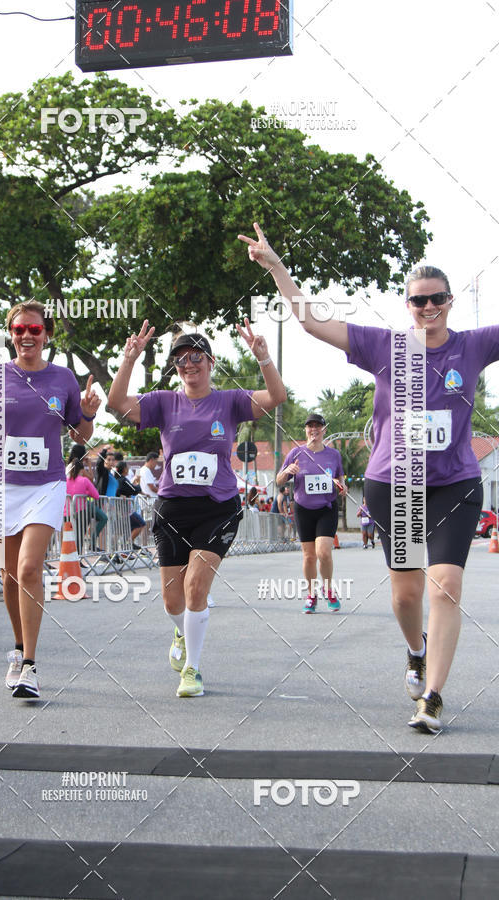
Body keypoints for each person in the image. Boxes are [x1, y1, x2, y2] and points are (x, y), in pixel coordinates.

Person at [240, 221, 498, 733]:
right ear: (407, 305)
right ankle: (415, 650)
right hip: (394, 483)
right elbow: (314, 323)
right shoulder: (385, 347)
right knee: (406, 595)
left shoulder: (473, 346)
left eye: (437, 299)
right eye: (418, 301)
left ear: (449, 302)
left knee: (444, 585)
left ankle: (433, 697)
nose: (428, 308)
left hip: (453, 482)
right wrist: (275, 267)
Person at [108, 320, 286, 697]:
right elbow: (116, 405)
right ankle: (182, 630)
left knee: (195, 587)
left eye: (196, 357)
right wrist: (129, 359)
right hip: (173, 508)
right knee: (173, 600)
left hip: (218, 507)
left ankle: (192, 669)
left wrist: (264, 358)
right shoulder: (163, 402)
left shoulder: (230, 401)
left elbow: (276, 397)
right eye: (180, 360)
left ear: (210, 362)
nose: (188, 365)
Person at [0, 300, 100, 699]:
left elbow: (80, 436)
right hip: (2, 486)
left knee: (31, 568)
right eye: (19, 330)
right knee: (10, 576)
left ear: (46, 334)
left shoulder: (63, 378)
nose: (26, 336)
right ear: (11, 334)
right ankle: (18, 649)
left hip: (46, 485)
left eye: (34, 330)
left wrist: (87, 414)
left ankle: (31, 665)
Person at [277, 414, 346, 613]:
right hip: (303, 509)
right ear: (305, 430)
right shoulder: (296, 453)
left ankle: (328, 588)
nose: (313, 430)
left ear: (324, 430)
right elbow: (279, 480)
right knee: (309, 557)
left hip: (326, 508)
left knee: (323, 552)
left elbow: (341, 478)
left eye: (317, 426)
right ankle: (311, 594)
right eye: (310, 427)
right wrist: (288, 470)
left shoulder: (334, 455)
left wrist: (342, 486)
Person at [65, 455, 101, 555]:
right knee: (79, 536)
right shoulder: (84, 480)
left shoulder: (66, 481)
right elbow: (96, 495)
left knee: (67, 537)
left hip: (66, 512)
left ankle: (67, 558)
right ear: (82, 470)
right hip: (80, 512)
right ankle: (78, 558)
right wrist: (85, 493)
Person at [114, 460, 146, 547]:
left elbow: (129, 489)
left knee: (128, 529)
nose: (128, 469)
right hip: (125, 511)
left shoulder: (118, 480)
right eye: (127, 467)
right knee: (141, 523)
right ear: (124, 469)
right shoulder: (123, 480)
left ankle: (127, 545)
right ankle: (128, 542)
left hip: (120, 511)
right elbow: (134, 490)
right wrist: (138, 482)